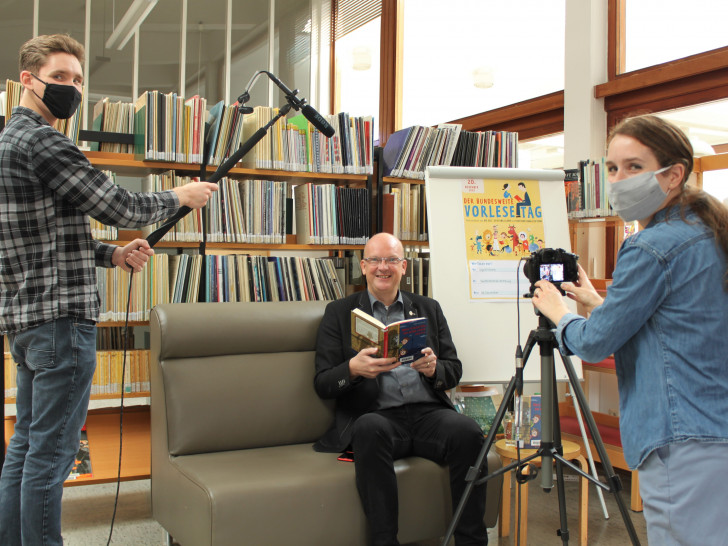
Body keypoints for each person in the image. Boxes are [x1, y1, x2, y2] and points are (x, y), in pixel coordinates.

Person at [0, 34, 218, 546]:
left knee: (27, 448)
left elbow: (48, 237)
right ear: (27, 80)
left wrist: (113, 255)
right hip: (60, 324)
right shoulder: (44, 141)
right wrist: (178, 195)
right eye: (59, 77)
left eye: (77, 79)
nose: (71, 88)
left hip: (27, 321)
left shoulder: (8, 139)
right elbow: (117, 206)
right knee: (51, 457)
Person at [531, 115, 728, 545]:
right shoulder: (708, 234)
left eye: (634, 167)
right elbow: (674, 326)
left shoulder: (650, 246)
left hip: (681, 439)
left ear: (673, 174)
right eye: (613, 168)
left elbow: (595, 342)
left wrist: (560, 314)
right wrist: (600, 305)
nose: (619, 180)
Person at [313, 232, 487, 546]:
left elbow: (454, 369)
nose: (384, 267)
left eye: (392, 260)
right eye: (376, 260)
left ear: (404, 267)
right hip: (377, 417)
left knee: (469, 433)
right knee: (368, 428)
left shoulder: (428, 308)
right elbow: (323, 382)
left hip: (428, 415)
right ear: (363, 266)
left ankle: (471, 541)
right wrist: (353, 370)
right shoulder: (339, 313)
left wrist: (435, 369)